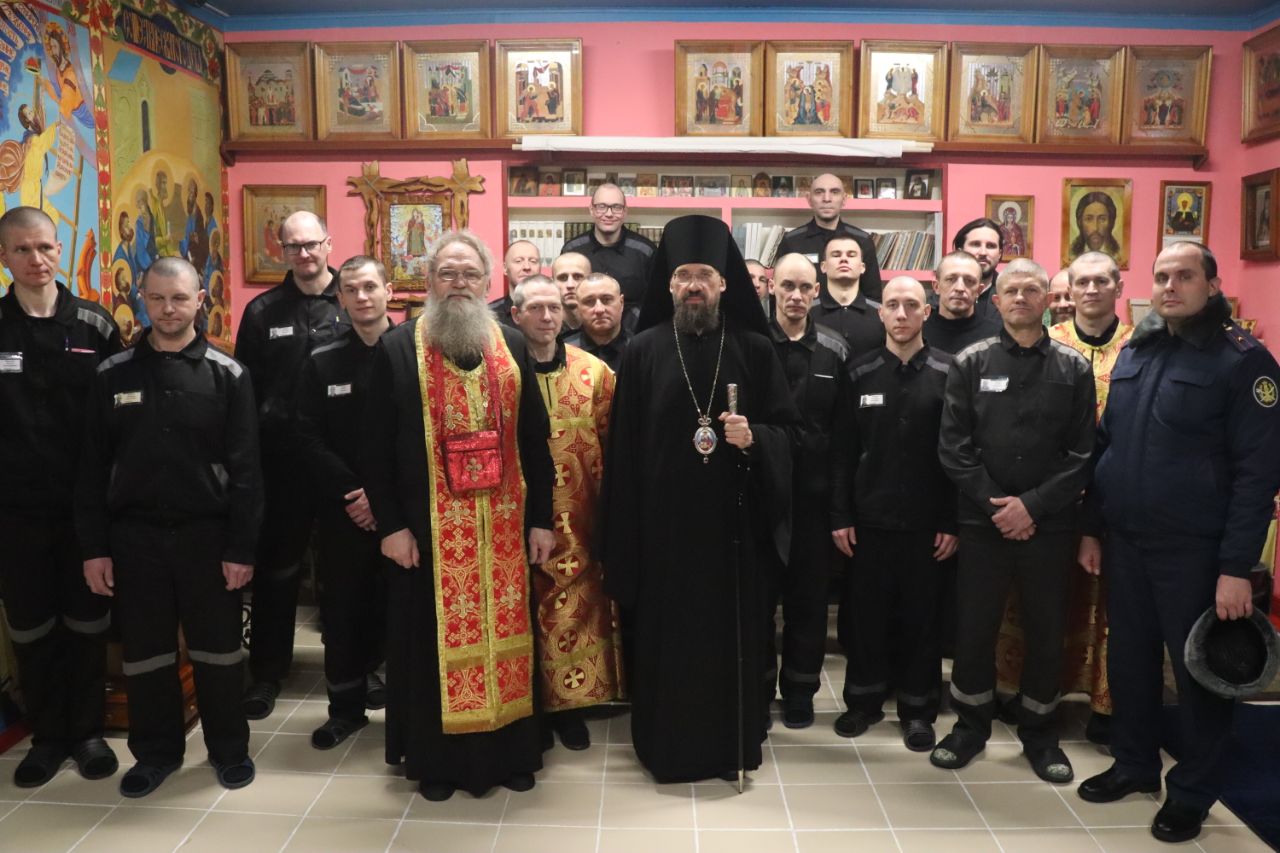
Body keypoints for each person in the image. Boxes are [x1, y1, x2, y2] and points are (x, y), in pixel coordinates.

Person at [1076, 242, 1280, 844]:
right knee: (1129, 662)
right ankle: (1135, 763)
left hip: (1197, 551)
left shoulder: (1244, 362)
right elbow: (1108, 446)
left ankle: (1192, 791)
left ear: (1212, 286)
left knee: (1199, 677)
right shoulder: (1140, 350)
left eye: (1185, 276)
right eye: (1162, 276)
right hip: (1126, 541)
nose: (1170, 286)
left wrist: (1237, 567)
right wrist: (1092, 526)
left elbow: (1258, 475)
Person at [599, 214, 800, 784]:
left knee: (731, 643)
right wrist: (625, 536)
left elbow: (792, 435)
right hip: (663, 537)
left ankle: (729, 746)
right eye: (684, 275)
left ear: (724, 284)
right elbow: (623, 452)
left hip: (734, 537)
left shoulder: (755, 350)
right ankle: (666, 748)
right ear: (668, 284)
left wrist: (755, 438)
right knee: (667, 646)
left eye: (705, 276)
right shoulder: (642, 351)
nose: (694, 285)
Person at [361, 230, 555, 802]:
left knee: (509, 639)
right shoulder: (398, 348)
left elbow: (536, 439)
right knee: (429, 650)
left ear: (488, 281)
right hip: (426, 537)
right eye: (447, 273)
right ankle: (439, 765)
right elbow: (373, 448)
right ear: (430, 281)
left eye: (470, 273)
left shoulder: (513, 344)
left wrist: (541, 519)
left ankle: (512, 754)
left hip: (504, 533)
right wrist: (392, 527)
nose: (459, 283)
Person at [77, 257, 261, 798]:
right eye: (156, 299)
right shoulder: (113, 374)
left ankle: (229, 749)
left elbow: (248, 471)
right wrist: (94, 548)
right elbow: (91, 469)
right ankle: (156, 754)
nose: (168, 309)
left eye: (179, 298)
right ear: (142, 299)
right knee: (147, 655)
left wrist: (241, 548)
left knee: (219, 653)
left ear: (200, 299)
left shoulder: (228, 374)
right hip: (135, 539)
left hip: (209, 537)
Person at [933, 258, 1095, 784]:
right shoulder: (970, 362)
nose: (1021, 298)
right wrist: (1000, 507)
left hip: (1049, 526)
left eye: (1031, 289)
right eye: (1011, 290)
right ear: (995, 300)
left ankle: (1040, 734)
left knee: (1046, 631)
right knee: (974, 628)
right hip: (984, 524)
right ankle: (969, 727)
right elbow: (953, 448)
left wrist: (1033, 507)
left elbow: (1082, 454)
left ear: (1047, 299)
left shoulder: (1073, 368)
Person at [0, 207, 120, 788]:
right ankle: (47, 737)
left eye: (45, 247)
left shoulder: (95, 326)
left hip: (86, 514)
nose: (36, 259)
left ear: (59, 249)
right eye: (22, 250)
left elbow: (121, 416)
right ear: (4, 258)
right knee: (32, 628)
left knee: (87, 624)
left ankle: (88, 732)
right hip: (15, 514)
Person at [830, 276, 956, 749]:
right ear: (880, 313)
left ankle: (918, 711)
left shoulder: (950, 372)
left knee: (921, 621)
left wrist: (951, 521)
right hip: (868, 522)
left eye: (911, 305)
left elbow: (959, 454)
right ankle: (862, 703)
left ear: (927, 312)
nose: (901, 314)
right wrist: (840, 515)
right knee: (865, 618)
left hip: (928, 525)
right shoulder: (858, 373)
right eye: (892, 305)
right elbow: (842, 452)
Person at [234, 211, 348, 720]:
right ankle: (267, 673)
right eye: (293, 246)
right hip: (280, 465)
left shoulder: (353, 299)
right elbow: (245, 393)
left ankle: (358, 667)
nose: (304, 254)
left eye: (311, 244)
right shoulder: (262, 312)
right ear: (281, 251)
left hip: (342, 464)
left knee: (348, 572)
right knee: (277, 572)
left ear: (328, 243)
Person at [509, 275, 623, 751]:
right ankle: (528, 705)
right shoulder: (501, 370)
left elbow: (616, 444)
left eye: (554, 307)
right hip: (514, 515)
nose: (546, 317)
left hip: (580, 519)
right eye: (535, 308)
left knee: (576, 610)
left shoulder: (594, 372)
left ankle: (570, 706)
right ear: (515, 315)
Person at [292, 256, 395, 751]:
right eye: (351, 289)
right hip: (343, 510)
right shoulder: (322, 360)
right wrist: (355, 494)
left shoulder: (414, 353)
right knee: (343, 612)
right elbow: (306, 435)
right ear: (340, 298)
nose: (362, 296)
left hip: (402, 511)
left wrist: (383, 496)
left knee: (403, 613)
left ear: (388, 290)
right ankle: (345, 710)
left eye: (370, 286)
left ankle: (409, 713)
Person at [762, 253, 848, 729]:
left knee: (808, 604)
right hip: (760, 497)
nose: (796, 296)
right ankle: (758, 689)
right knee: (759, 602)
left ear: (817, 292)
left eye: (805, 288)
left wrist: (839, 508)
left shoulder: (835, 350)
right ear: (772, 286)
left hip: (814, 501)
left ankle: (799, 690)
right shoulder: (752, 345)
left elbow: (845, 437)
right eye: (787, 286)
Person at [775, 173, 883, 300]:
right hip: (805, 313)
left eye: (834, 192)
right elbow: (779, 293)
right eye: (819, 192)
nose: (826, 198)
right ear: (809, 199)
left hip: (850, 313)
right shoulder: (791, 241)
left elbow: (873, 297)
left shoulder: (863, 241)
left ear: (844, 199)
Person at [560, 183, 656, 306]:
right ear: (591, 210)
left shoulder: (646, 251)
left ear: (625, 211)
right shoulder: (572, 250)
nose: (609, 214)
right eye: (601, 207)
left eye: (616, 207)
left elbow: (655, 300)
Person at [809, 237, 884, 357]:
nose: (844, 259)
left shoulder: (882, 314)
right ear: (823, 266)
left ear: (862, 267)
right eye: (836, 255)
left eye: (851, 255)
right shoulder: (806, 313)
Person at [923, 251, 1001, 355]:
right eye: (951, 279)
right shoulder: (918, 334)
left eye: (969, 281)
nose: (960, 288)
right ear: (936, 287)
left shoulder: (997, 337)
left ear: (979, 290)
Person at [561, 272, 631, 372]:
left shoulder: (641, 349)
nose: (599, 309)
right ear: (578, 307)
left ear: (621, 303)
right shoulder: (563, 351)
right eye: (589, 302)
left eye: (606, 300)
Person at [952, 218, 1004, 321]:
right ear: (960, 251)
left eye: (990, 246)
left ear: (999, 254)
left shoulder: (1010, 296)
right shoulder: (941, 295)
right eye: (976, 244)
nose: (983, 252)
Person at [488, 239, 541, 328]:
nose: (527, 267)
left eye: (533, 261)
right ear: (505, 268)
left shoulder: (552, 312)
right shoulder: (490, 315)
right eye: (518, 261)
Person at [1071, 191, 1121, 260]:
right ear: (1079, 222)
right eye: (1089, 219)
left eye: (1102, 219)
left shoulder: (1117, 254)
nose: (1095, 228)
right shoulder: (1074, 255)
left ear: (1111, 222)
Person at [552, 252, 591, 339]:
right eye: (563, 278)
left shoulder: (602, 328)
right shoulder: (544, 330)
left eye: (577, 277)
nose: (570, 285)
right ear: (553, 283)